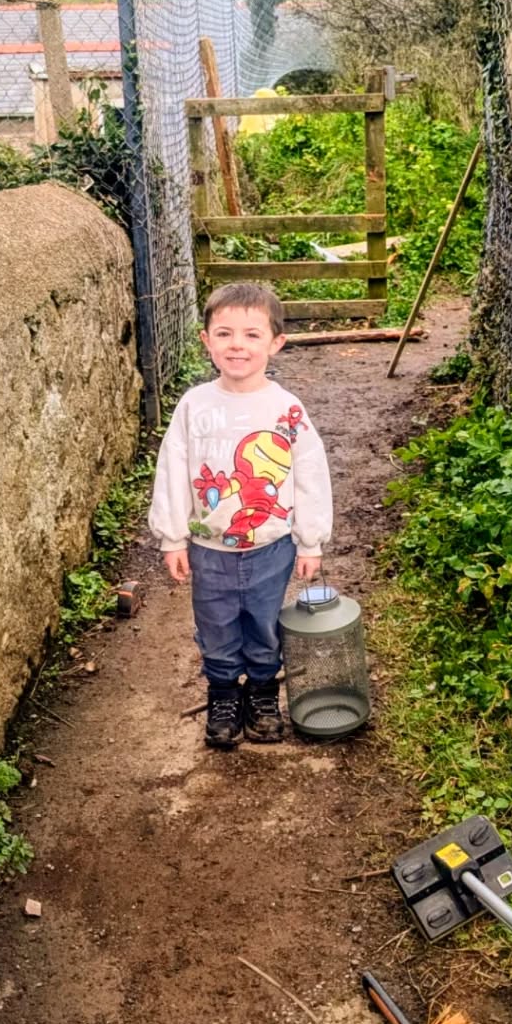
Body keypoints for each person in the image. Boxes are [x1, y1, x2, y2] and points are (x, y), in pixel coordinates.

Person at [148, 282, 333, 748]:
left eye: (252, 335)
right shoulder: (195, 405)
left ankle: (265, 692)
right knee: (216, 624)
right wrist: (172, 537)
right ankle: (225, 693)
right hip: (209, 549)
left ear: (276, 343)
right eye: (225, 333)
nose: (237, 345)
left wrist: (309, 540)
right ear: (206, 340)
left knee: (264, 621)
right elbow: (172, 468)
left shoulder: (286, 409)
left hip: (273, 545)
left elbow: (311, 473)